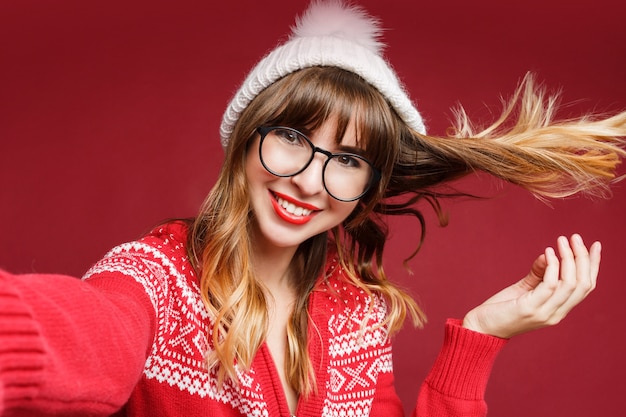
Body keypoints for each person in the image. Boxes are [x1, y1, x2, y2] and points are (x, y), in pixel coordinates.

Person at [1, 1, 625, 416]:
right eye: (293, 140)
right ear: (246, 141)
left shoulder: (358, 317)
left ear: (367, 188)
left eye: (348, 161)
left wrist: (482, 337)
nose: (308, 182)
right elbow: (90, 334)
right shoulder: (155, 277)